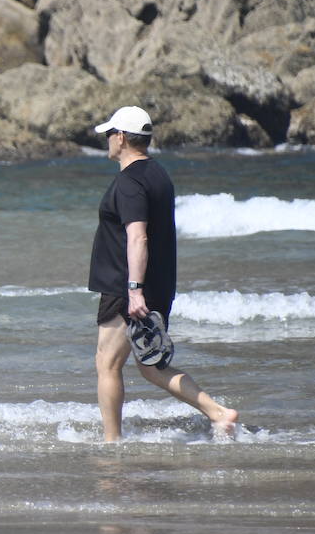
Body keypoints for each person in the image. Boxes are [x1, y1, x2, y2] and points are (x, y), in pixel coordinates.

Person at [87, 106, 238, 442]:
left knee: (107, 364)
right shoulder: (158, 175)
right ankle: (218, 413)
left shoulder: (129, 182)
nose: (108, 141)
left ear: (122, 137)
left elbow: (137, 235)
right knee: (151, 366)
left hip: (126, 287)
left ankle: (112, 442)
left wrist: (134, 290)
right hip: (158, 284)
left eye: (110, 134)